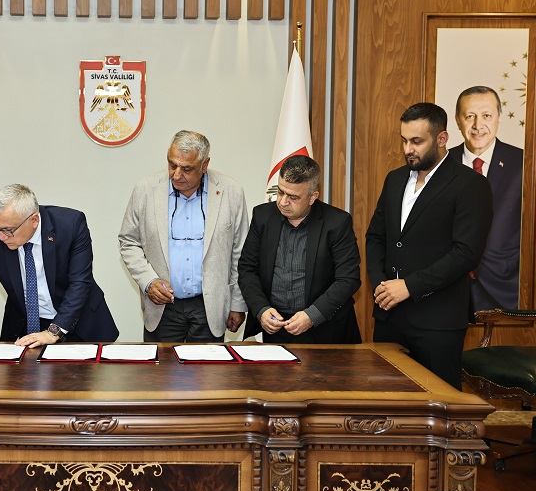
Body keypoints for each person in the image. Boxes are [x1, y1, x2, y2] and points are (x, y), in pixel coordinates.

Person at [366, 102, 493, 390]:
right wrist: (380, 284)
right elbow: (376, 237)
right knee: (385, 401)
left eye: (416, 141)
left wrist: (408, 286)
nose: (408, 149)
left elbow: (466, 253)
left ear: (441, 138)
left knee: (439, 404)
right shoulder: (395, 179)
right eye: (404, 140)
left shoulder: (470, 185)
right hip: (389, 315)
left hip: (438, 321)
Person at [0, 184, 118, 348]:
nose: (1, 237)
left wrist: (53, 332)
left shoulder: (70, 225)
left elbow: (80, 284)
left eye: (8, 230)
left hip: (77, 324)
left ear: (34, 220)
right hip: (27, 326)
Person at [118, 130, 249, 342]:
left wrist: (237, 304)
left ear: (204, 165)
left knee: (207, 364)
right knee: (160, 364)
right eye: (172, 165)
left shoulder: (230, 192)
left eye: (187, 169)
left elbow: (240, 252)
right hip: (162, 307)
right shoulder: (145, 190)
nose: (177, 175)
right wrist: (149, 281)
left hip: (210, 306)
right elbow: (128, 242)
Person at [238, 155, 361, 344]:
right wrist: (261, 309)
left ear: (313, 197)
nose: (283, 202)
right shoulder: (262, 216)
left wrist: (312, 315)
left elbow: (348, 279)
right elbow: (247, 268)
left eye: (293, 197)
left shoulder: (337, 223)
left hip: (324, 330)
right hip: (276, 327)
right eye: (280, 192)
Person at [448, 86, 522, 312]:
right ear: (458, 120)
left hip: (506, 291)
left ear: (499, 117)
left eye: (486, 116)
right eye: (469, 116)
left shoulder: (525, 164)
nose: (478, 125)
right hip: (448, 291)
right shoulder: (440, 165)